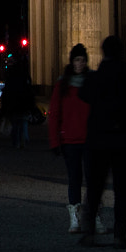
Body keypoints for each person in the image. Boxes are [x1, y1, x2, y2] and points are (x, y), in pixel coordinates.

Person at [78, 36, 126, 249]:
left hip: (98, 139)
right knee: (122, 189)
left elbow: (84, 95)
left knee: (94, 188)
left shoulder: (95, 78)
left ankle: (89, 233)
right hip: (123, 139)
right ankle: (119, 235)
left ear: (103, 52)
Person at [48, 44, 93, 233]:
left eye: (82, 60)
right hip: (70, 140)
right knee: (74, 179)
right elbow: (54, 114)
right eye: (77, 59)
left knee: (92, 180)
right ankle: (75, 216)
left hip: (90, 139)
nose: (80, 63)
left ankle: (93, 215)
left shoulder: (92, 82)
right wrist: (55, 141)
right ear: (71, 61)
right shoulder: (62, 84)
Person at [0, 53, 35, 149]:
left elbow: (7, 92)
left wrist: (4, 109)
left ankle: (16, 142)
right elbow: (30, 91)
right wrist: (31, 106)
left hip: (13, 104)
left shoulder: (10, 74)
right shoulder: (25, 74)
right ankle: (23, 140)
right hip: (23, 104)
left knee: (15, 124)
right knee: (23, 122)